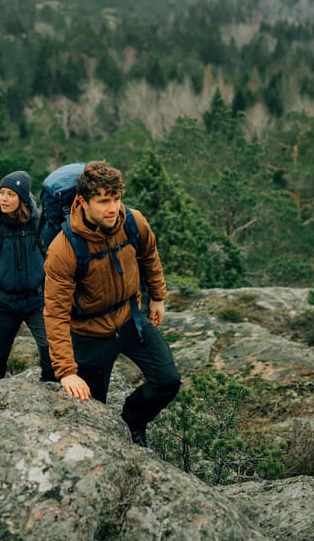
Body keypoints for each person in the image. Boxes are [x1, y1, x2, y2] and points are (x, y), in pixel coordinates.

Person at [43, 161, 181, 447]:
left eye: (116, 198)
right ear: (82, 202)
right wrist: (66, 371)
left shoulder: (133, 221)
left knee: (167, 381)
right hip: (90, 333)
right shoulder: (64, 248)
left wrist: (157, 296)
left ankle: (133, 420)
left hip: (130, 318)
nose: (113, 208)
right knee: (93, 414)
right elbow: (55, 313)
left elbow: (148, 254)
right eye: (103, 201)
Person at [0, 170, 55, 383]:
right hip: (3, 303)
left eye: (11, 194)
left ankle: (53, 393)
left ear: (22, 198)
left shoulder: (39, 224)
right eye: (2, 193)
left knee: (50, 350)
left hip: (37, 300)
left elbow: (55, 256)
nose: (4, 199)